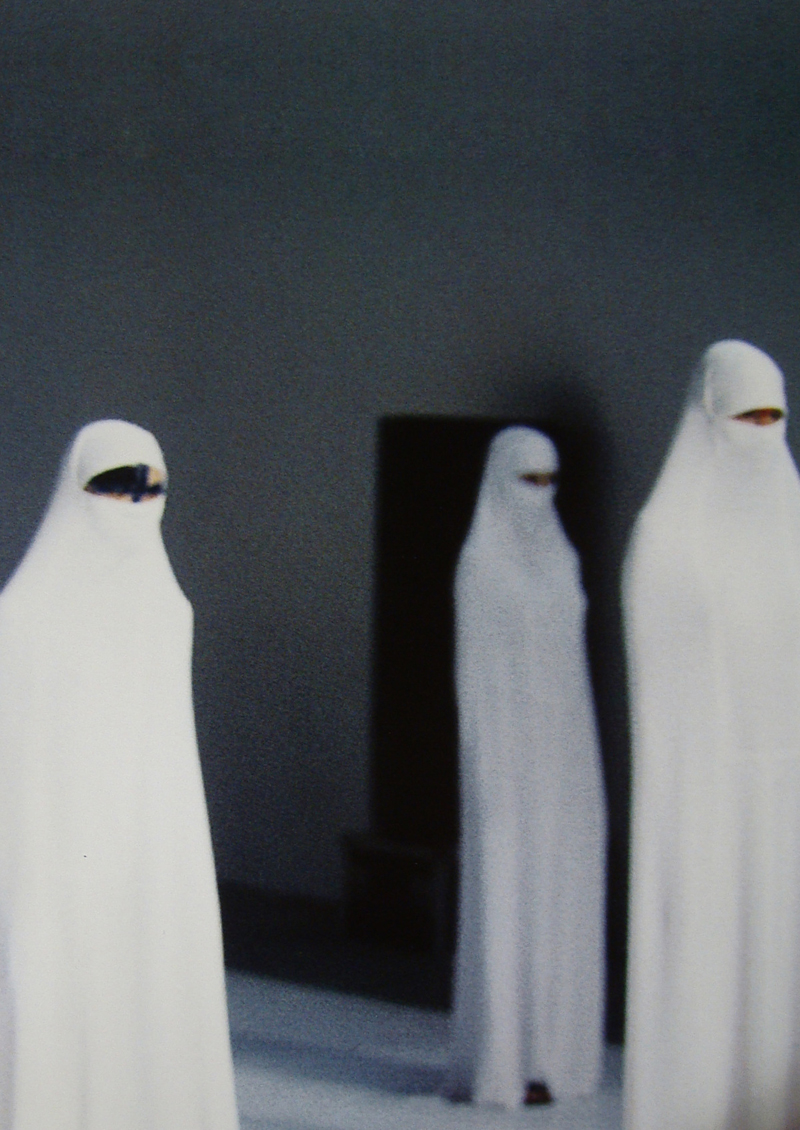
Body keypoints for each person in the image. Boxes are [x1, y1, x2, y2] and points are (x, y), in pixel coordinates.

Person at [0, 420, 239, 1130]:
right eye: (115, 485)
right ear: (76, 491)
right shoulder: (20, 617)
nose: (135, 503)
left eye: (151, 488)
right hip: (53, 857)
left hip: (150, 858)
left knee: (145, 995)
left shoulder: (168, 611)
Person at [623, 340, 800, 1130]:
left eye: (774, 419)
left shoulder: (791, 521)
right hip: (705, 799)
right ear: (707, 419)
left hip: (787, 791)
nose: (761, 434)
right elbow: (666, 694)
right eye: (744, 418)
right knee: (707, 975)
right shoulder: (666, 538)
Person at [445, 426, 606, 1108]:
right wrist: (488, 768)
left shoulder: (562, 560)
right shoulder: (481, 566)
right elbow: (478, 679)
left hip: (567, 756)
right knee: (508, 896)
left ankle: (555, 1056)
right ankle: (504, 1061)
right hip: (507, 758)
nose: (539, 494)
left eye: (549, 481)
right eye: (526, 480)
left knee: (563, 896)